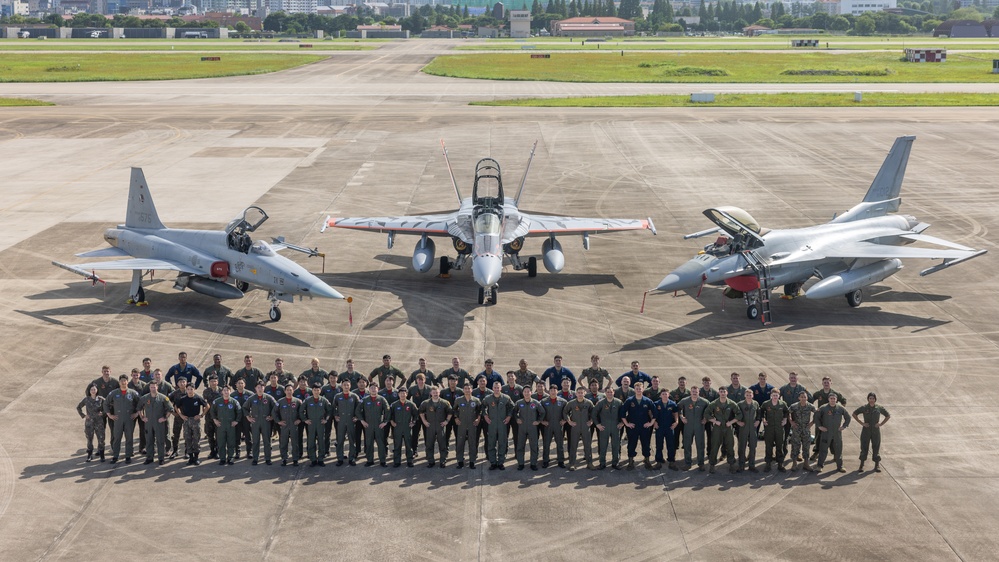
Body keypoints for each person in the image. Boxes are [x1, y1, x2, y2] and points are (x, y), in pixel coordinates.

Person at [104, 374, 141, 464]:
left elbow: (140, 403)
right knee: (117, 438)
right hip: (118, 419)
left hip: (129, 419)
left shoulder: (133, 393)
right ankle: (115, 456)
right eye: (121, 381)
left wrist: (137, 414)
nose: (123, 382)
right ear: (119, 382)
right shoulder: (114, 393)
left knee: (129, 438)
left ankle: (128, 456)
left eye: (125, 380)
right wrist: (109, 415)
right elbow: (105, 403)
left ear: (127, 382)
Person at [705, 387, 742, 474]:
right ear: (719, 393)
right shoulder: (714, 403)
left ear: (727, 393)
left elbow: (739, 414)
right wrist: (714, 421)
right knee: (714, 446)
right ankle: (712, 464)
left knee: (730, 446)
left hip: (728, 427)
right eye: (721, 392)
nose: (722, 393)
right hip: (718, 428)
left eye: (724, 392)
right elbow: (706, 414)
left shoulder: (731, 403)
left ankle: (731, 464)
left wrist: (732, 422)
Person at [620, 382, 656, 470]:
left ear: (643, 389)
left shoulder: (647, 401)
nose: (639, 390)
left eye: (640, 388)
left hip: (645, 427)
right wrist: (626, 424)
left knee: (646, 444)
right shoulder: (629, 400)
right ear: (634, 389)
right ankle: (631, 461)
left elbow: (655, 412)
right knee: (631, 443)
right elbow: (622, 413)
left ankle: (647, 460)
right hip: (633, 427)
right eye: (637, 389)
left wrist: (651, 423)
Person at [809, 377, 846, 461]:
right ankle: (817, 451)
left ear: (830, 383)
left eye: (828, 382)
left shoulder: (835, 394)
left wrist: (840, 410)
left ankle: (835, 454)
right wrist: (815, 410)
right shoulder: (818, 394)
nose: (826, 384)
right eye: (824, 382)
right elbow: (810, 401)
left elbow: (843, 400)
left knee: (833, 436)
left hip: (832, 419)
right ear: (822, 383)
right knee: (818, 435)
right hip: (821, 419)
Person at [853, 392, 890, 473]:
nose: (871, 400)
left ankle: (877, 464)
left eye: (873, 398)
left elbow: (887, 415)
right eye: (870, 398)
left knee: (876, 447)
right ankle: (861, 464)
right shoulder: (864, 408)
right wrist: (862, 423)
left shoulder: (879, 408)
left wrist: (881, 424)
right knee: (864, 447)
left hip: (875, 431)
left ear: (875, 399)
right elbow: (854, 414)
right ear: (868, 399)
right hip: (866, 430)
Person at [137, 381, 172, 465]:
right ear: (149, 388)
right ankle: (149, 457)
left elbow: (170, 409)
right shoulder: (145, 398)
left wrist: (164, 418)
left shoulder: (163, 398)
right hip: (149, 423)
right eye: (151, 387)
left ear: (157, 387)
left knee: (160, 441)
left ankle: (161, 458)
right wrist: (142, 417)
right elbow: (139, 408)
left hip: (159, 423)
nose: (153, 389)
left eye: (154, 387)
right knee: (149, 440)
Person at [356, 383, 390, 467]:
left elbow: (388, 410)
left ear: (378, 389)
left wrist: (385, 422)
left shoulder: (382, 399)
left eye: (375, 388)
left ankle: (382, 461)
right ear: (369, 389)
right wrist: (362, 421)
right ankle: (370, 460)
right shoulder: (364, 400)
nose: (373, 389)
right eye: (371, 388)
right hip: (369, 425)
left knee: (381, 443)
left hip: (379, 425)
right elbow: (357, 410)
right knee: (369, 443)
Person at [243, 382, 278, 465]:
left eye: (262, 387)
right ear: (255, 388)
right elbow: (244, 408)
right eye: (258, 387)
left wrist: (272, 417)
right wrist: (248, 417)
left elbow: (276, 407)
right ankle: (255, 458)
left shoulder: (269, 398)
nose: (260, 389)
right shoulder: (251, 398)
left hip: (266, 421)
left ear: (264, 388)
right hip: (255, 422)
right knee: (255, 441)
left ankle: (268, 458)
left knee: (267, 441)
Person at [481, 381, 513, 470]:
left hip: (502, 424)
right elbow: (482, 407)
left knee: (502, 443)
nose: (496, 389)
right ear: (492, 388)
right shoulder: (488, 398)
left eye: (498, 387)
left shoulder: (506, 398)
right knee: (491, 443)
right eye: (495, 388)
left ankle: (501, 462)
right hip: (492, 424)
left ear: (501, 388)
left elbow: (512, 407)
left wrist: (509, 416)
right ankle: (493, 462)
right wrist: (485, 415)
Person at [174, 383, 208, 465]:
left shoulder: (198, 398)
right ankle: (190, 457)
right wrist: (181, 415)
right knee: (187, 438)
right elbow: (176, 406)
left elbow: (207, 406)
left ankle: (196, 457)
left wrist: (201, 415)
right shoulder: (183, 399)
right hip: (186, 420)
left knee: (196, 439)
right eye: (188, 389)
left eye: (191, 389)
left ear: (194, 389)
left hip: (195, 420)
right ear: (186, 390)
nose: (190, 391)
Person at [419, 386, 453, 468]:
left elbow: (450, 412)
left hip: (440, 426)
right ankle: (431, 461)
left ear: (439, 393)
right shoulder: (426, 403)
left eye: (437, 392)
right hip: (430, 426)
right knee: (429, 444)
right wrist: (424, 421)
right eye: (433, 393)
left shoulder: (445, 403)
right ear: (430, 393)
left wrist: (446, 421)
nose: (435, 394)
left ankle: (443, 461)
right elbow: (421, 412)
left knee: (442, 444)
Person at [816, 393, 851, 472]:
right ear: (828, 399)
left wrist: (844, 426)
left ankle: (840, 466)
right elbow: (816, 417)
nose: (832, 400)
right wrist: (819, 426)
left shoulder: (840, 408)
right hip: (826, 433)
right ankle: (819, 466)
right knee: (823, 450)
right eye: (831, 398)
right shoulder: (823, 408)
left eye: (834, 398)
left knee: (838, 450)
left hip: (837, 433)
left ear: (836, 399)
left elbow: (848, 418)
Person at [779, 372, 810, 460]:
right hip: (787, 414)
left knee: (798, 435)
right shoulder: (784, 388)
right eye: (791, 378)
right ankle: (783, 452)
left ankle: (798, 453)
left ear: (797, 379)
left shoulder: (802, 388)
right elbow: (776, 397)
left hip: (798, 415)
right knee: (785, 434)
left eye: (795, 378)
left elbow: (810, 398)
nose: (793, 379)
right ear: (789, 378)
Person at [301, 383, 333, 467]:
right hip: (311, 424)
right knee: (311, 441)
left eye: (318, 390)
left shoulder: (324, 400)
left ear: (320, 391)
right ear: (312, 390)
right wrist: (305, 420)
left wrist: (326, 419)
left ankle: (321, 459)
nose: (316, 392)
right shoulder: (307, 400)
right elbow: (301, 410)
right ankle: (313, 459)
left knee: (321, 442)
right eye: (314, 390)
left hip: (320, 424)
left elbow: (329, 410)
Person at [678, 386, 710, 471]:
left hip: (699, 426)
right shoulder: (685, 401)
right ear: (690, 392)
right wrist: (681, 417)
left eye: (696, 392)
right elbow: (677, 408)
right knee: (687, 444)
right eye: (693, 392)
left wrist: (705, 418)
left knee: (700, 445)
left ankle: (701, 463)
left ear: (698, 392)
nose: (694, 393)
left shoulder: (704, 402)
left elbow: (710, 410)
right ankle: (688, 463)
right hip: (688, 426)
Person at [563, 387, 595, 470]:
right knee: (573, 446)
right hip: (575, 427)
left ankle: (589, 463)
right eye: (579, 393)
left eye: (582, 393)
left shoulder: (589, 403)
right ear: (576, 394)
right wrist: (569, 421)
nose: (580, 394)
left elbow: (593, 412)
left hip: (585, 427)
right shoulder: (571, 403)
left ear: (584, 393)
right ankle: (572, 463)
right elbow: (565, 412)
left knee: (587, 445)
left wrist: (591, 421)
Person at [514, 386, 545, 470]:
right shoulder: (519, 402)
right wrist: (517, 419)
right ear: (523, 393)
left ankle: (533, 463)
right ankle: (520, 463)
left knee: (534, 446)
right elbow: (514, 412)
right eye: (525, 392)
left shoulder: (536, 403)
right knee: (520, 445)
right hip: (522, 427)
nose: (527, 393)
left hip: (533, 427)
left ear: (531, 393)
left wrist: (538, 421)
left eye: (528, 392)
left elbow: (542, 412)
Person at [87, 366, 117, 453]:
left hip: (112, 409)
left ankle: (113, 446)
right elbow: (88, 392)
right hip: (100, 410)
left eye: (107, 371)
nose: (106, 373)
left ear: (110, 372)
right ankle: (100, 448)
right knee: (100, 429)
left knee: (113, 429)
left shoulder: (115, 382)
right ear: (102, 372)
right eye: (104, 371)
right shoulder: (96, 382)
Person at [592, 386, 623, 469]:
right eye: (608, 392)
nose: (610, 393)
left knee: (615, 445)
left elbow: (624, 413)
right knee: (603, 446)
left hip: (615, 427)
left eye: (611, 392)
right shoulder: (601, 403)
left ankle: (615, 463)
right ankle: (602, 463)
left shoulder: (618, 402)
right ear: (605, 393)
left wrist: (622, 423)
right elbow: (594, 413)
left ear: (614, 393)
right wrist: (597, 424)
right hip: (604, 428)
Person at [211, 385, 242, 466]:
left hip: (230, 425)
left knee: (231, 442)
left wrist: (236, 421)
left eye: (227, 390)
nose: (226, 392)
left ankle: (230, 457)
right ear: (222, 392)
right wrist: (215, 420)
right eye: (224, 390)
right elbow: (212, 411)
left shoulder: (234, 402)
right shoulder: (217, 402)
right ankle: (222, 458)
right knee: (221, 442)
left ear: (230, 392)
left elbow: (239, 412)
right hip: (221, 425)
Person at [453, 382, 482, 469]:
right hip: (462, 424)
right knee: (460, 443)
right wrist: (456, 418)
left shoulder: (476, 400)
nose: (467, 390)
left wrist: (478, 419)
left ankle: (472, 461)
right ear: (463, 390)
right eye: (465, 389)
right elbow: (454, 410)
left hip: (472, 424)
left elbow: (480, 411)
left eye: (469, 389)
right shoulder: (459, 400)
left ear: (471, 390)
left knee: (472, 442)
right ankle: (460, 461)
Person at [332, 380, 360, 466]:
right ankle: (340, 458)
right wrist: (336, 415)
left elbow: (359, 408)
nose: (346, 387)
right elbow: (333, 407)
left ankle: (352, 458)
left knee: (352, 440)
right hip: (341, 421)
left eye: (347, 385)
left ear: (350, 386)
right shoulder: (337, 396)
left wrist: (357, 417)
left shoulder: (354, 396)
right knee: (340, 440)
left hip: (351, 421)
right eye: (344, 385)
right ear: (341, 386)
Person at [760, 388, 789, 472]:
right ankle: (768, 463)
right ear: (771, 396)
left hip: (779, 428)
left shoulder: (782, 404)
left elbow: (787, 412)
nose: (775, 397)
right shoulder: (766, 404)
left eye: (776, 395)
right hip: (769, 428)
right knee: (768, 446)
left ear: (779, 396)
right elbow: (761, 411)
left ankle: (780, 463)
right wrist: (763, 419)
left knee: (780, 446)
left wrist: (785, 419)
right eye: (773, 395)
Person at [788, 390, 817, 472]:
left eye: (805, 397)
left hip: (806, 428)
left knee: (806, 446)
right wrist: (791, 421)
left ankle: (806, 463)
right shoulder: (794, 406)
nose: (803, 398)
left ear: (807, 398)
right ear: (799, 398)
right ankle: (794, 463)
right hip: (796, 428)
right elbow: (787, 412)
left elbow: (817, 413)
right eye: (802, 397)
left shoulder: (810, 406)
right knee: (795, 445)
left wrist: (812, 422)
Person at [275, 384, 303, 466]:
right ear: (284, 391)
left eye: (291, 390)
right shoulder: (280, 401)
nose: (289, 392)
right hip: (284, 425)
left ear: (293, 391)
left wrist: (300, 419)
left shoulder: (298, 401)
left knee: (295, 442)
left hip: (294, 425)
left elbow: (302, 412)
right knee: (283, 442)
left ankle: (295, 459)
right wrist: (278, 421)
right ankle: (284, 458)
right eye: (287, 390)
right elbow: (274, 412)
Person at [389, 387, 418, 467]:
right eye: (401, 393)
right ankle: (397, 461)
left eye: (404, 393)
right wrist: (391, 421)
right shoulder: (394, 405)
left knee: (409, 445)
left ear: (406, 394)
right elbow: (389, 415)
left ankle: (410, 460)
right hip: (397, 427)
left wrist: (413, 422)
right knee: (397, 445)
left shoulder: (411, 404)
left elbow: (416, 414)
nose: (402, 395)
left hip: (407, 427)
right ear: (398, 394)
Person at [77, 383, 106, 462]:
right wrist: (83, 415)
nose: (93, 391)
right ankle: (89, 454)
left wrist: (103, 413)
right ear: (89, 391)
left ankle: (102, 454)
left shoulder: (101, 399)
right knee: (89, 439)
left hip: (99, 422)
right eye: (91, 390)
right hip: (89, 422)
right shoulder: (86, 399)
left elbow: (108, 406)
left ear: (97, 390)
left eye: (94, 389)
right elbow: (78, 407)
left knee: (101, 439)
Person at [652, 388, 679, 470]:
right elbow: (652, 413)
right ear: (660, 395)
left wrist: (676, 421)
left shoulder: (672, 404)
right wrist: (654, 422)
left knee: (670, 445)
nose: (664, 395)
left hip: (669, 427)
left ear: (668, 395)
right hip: (659, 427)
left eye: (666, 394)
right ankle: (659, 462)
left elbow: (675, 413)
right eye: (663, 394)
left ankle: (671, 462)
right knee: (659, 445)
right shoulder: (656, 404)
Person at [540, 385, 567, 468]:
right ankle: (545, 460)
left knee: (560, 443)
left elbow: (568, 412)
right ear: (549, 391)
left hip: (558, 425)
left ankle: (560, 460)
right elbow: (539, 412)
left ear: (557, 391)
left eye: (554, 390)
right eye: (551, 390)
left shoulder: (563, 401)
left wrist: (565, 420)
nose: (553, 392)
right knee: (546, 443)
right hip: (548, 425)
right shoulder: (543, 401)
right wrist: (541, 421)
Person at [736, 388, 761, 473]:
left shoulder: (756, 404)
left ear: (752, 395)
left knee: (753, 447)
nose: (749, 396)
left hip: (753, 428)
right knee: (742, 446)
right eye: (747, 395)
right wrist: (738, 422)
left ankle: (752, 465)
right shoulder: (740, 404)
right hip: (744, 427)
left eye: (750, 395)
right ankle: (741, 465)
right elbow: (735, 414)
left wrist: (758, 420)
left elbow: (759, 413)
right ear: (744, 395)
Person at [407, 373, 432, 455]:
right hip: (416, 414)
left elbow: (434, 399)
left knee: (427, 434)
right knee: (415, 434)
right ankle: (414, 451)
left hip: (427, 414)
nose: (420, 381)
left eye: (422, 379)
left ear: (425, 380)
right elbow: (407, 399)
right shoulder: (412, 389)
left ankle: (428, 451)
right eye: (419, 380)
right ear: (416, 380)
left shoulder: (429, 389)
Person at [230, 379, 253, 460]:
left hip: (246, 418)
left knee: (248, 435)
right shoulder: (232, 395)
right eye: (238, 383)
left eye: (242, 383)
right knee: (237, 435)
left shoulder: (250, 394)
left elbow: (254, 406)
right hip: (237, 418)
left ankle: (249, 451)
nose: (240, 385)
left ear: (244, 384)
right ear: (236, 385)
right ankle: (237, 451)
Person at [167, 378, 189, 459]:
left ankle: (187, 452)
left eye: (184, 382)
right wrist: (172, 412)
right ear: (177, 383)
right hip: (178, 416)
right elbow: (167, 402)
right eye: (180, 382)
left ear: (186, 383)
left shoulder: (189, 391)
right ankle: (175, 451)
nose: (182, 384)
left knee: (187, 434)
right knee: (176, 434)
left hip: (187, 417)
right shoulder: (174, 393)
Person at [501, 372, 523, 453]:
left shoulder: (520, 389)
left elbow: (524, 401)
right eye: (509, 376)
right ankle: (504, 453)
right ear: (507, 379)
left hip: (516, 416)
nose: (510, 378)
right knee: (504, 435)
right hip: (505, 416)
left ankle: (517, 453)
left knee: (517, 435)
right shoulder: (503, 389)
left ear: (515, 377)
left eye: (512, 376)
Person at [127, 370, 147, 455]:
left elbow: (146, 398)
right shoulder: (128, 385)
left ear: (139, 375)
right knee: (129, 431)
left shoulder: (144, 385)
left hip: (141, 411)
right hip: (131, 412)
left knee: (143, 430)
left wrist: (139, 412)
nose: (135, 376)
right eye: (134, 375)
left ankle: (142, 447)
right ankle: (130, 449)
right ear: (131, 375)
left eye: (137, 375)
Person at [202, 375, 222, 460]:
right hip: (209, 416)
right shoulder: (206, 391)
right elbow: (204, 403)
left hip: (219, 416)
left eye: (215, 381)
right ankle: (212, 451)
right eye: (211, 381)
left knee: (218, 435)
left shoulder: (221, 390)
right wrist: (203, 413)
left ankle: (217, 451)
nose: (213, 383)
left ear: (217, 382)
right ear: (209, 382)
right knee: (210, 434)